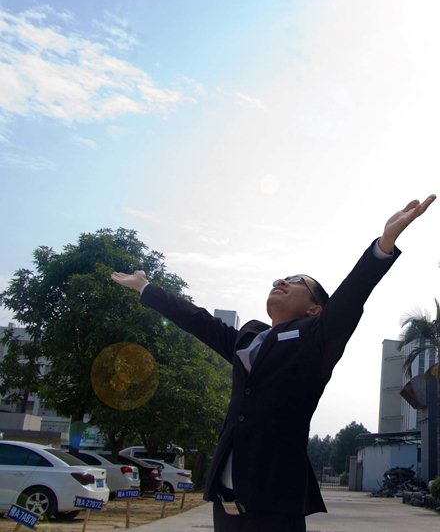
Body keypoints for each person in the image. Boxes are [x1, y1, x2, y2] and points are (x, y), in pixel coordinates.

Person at [111, 195, 436, 532]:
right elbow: (198, 320)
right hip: (226, 507)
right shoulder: (248, 339)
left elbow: (350, 297)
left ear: (314, 309)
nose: (282, 281)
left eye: (296, 280)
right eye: (280, 278)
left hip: (274, 507)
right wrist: (146, 287)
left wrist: (383, 244)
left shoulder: (315, 341)